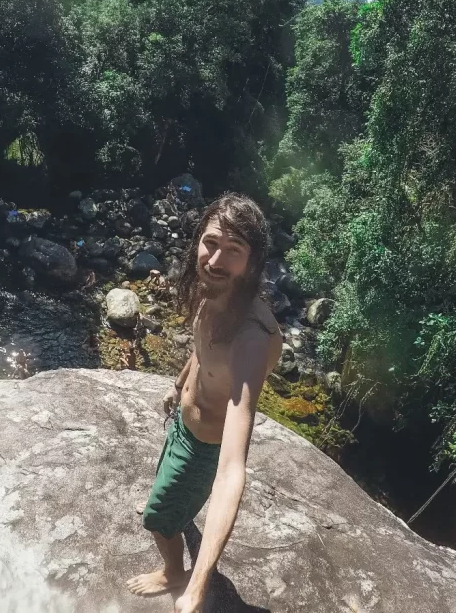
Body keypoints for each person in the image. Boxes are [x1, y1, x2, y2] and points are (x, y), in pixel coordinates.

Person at [126, 193, 282, 613]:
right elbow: (201, 352)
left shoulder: (252, 339)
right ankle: (177, 512)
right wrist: (178, 387)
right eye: (211, 242)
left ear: (252, 262)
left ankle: (174, 571)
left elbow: (232, 469)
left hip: (203, 447)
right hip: (182, 422)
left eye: (234, 251)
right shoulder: (213, 290)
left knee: (157, 520)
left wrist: (197, 587)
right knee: (167, 497)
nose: (215, 260)